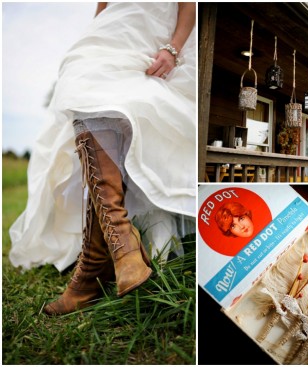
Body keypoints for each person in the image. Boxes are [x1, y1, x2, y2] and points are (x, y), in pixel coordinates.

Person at [8, 2, 196, 315]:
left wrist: (173, 48)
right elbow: (103, 6)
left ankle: (98, 266)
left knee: (123, 119)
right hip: (114, 29)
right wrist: (95, 39)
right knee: (85, 85)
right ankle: (120, 244)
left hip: (156, 33)